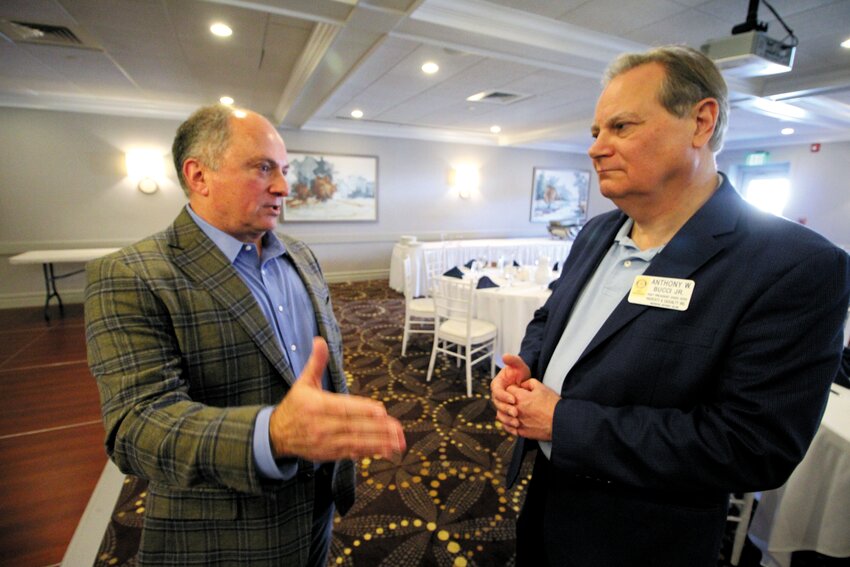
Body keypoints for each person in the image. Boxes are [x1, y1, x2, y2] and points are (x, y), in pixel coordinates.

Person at [491, 45, 850, 566]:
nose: (596, 148)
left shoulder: (793, 266)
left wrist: (564, 423)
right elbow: (552, 317)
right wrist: (526, 371)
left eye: (621, 127)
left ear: (701, 122)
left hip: (641, 534)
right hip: (547, 496)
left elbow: (753, 446)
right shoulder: (596, 232)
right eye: (596, 132)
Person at [85, 105, 406, 566]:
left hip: (318, 503)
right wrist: (272, 434)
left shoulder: (301, 256)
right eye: (262, 168)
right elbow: (135, 428)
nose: (283, 186)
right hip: (225, 531)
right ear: (199, 176)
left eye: (285, 170)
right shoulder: (130, 276)